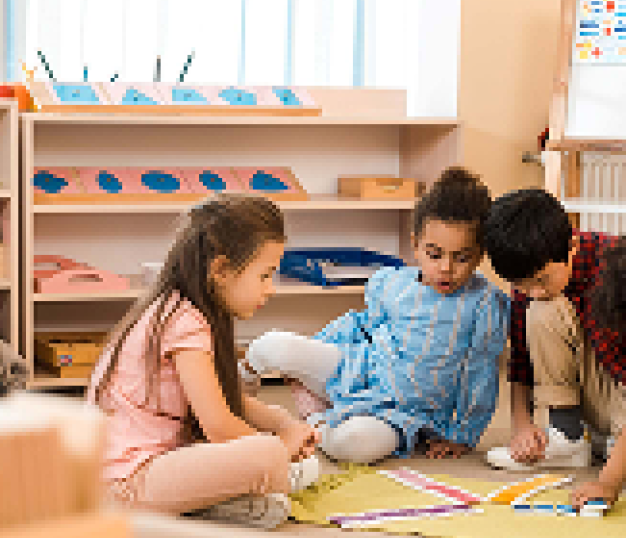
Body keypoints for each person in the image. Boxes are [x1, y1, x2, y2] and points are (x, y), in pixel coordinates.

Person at [244, 167, 509, 464]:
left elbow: (481, 375)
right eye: (435, 254)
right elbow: (358, 326)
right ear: (416, 245)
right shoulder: (391, 282)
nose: (446, 267)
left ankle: (314, 420)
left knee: (353, 445)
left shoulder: (485, 303)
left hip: (404, 415)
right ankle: (235, 394)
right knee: (271, 345)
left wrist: (462, 436)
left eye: (462, 257)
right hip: (358, 371)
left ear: (480, 254)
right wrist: (313, 351)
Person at [87, 194, 320, 530]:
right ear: (221, 270)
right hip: (125, 484)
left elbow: (222, 399)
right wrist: (281, 445)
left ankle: (235, 496)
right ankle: (242, 492)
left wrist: (282, 423)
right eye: (265, 275)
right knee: (267, 456)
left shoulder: (185, 309)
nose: (270, 289)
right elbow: (219, 426)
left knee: (280, 440)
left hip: (151, 464)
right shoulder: (185, 321)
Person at [484, 189, 626, 509]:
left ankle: (614, 446)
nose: (532, 291)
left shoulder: (615, 270)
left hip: (619, 390)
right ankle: (570, 437)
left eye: (542, 279)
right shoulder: (531, 281)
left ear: (572, 246)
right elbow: (519, 359)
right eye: (522, 285)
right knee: (542, 309)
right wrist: (521, 426)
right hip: (597, 395)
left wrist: (609, 481)